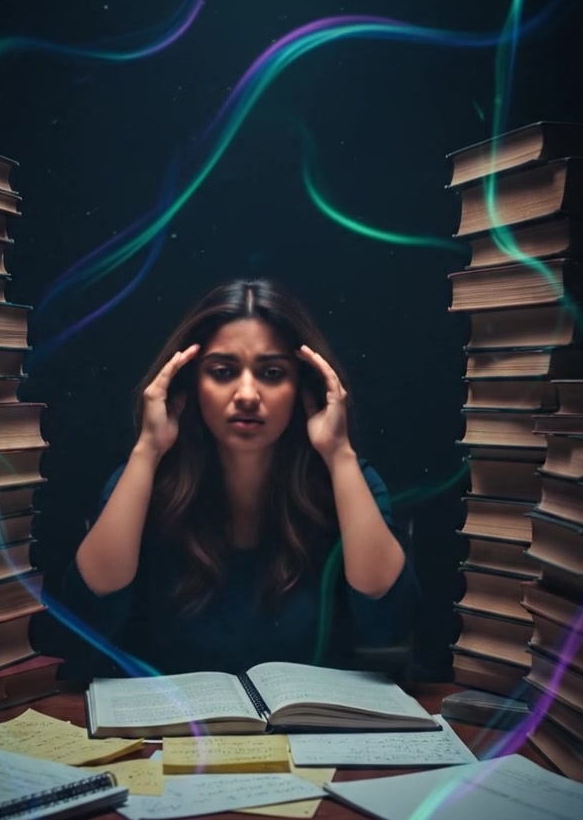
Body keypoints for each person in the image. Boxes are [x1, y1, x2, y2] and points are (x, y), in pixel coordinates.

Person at [62, 276, 419, 680]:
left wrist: (338, 454)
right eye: (222, 371)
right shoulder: (148, 483)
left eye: (271, 373)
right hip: (177, 734)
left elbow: (389, 620)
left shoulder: (346, 482)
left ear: (302, 386)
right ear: (191, 385)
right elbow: (86, 615)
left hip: (312, 735)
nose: (247, 393)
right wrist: (148, 449)